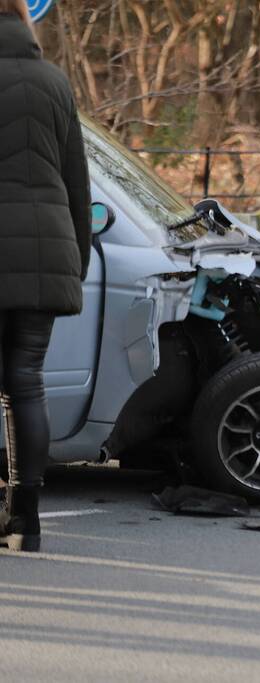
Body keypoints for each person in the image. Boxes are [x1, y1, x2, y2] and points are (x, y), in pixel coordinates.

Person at [0, 0, 91, 552]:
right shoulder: (55, 81)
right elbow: (77, 180)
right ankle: (26, 520)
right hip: (47, 253)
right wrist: (74, 259)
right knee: (25, 383)